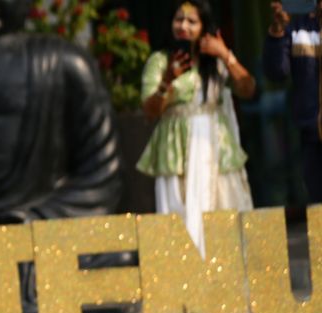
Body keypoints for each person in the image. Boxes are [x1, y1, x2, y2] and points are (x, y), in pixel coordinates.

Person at [0, 0, 121, 313]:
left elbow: (102, 173)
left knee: (117, 260)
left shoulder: (65, 62)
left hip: (46, 227)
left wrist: (31, 217)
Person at [137, 0, 255, 259]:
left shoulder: (214, 63)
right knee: (178, 218)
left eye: (192, 21)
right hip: (177, 154)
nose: (183, 26)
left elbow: (247, 89)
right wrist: (167, 80)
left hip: (215, 149)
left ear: (204, 28)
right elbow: (150, 110)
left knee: (223, 212)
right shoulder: (159, 61)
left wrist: (225, 54)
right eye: (179, 20)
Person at [264, 0, 322, 204]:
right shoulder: (297, 25)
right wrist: (278, 30)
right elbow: (277, 72)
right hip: (312, 131)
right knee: (317, 201)